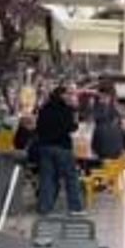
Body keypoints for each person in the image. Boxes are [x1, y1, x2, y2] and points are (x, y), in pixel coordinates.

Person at [36, 84, 83, 215]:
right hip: (62, 147)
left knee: (47, 178)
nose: (69, 97)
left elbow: (38, 128)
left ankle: (44, 208)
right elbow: (72, 127)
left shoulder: (44, 109)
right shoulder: (66, 109)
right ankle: (75, 208)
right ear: (61, 96)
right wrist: (74, 114)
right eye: (67, 94)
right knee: (71, 178)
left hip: (45, 147)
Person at [91, 89, 125, 161]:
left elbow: (95, 147)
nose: (100, 100)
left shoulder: (101, 113)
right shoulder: (116, 114)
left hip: (104, 156)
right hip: (117, 157)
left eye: (103, 98)